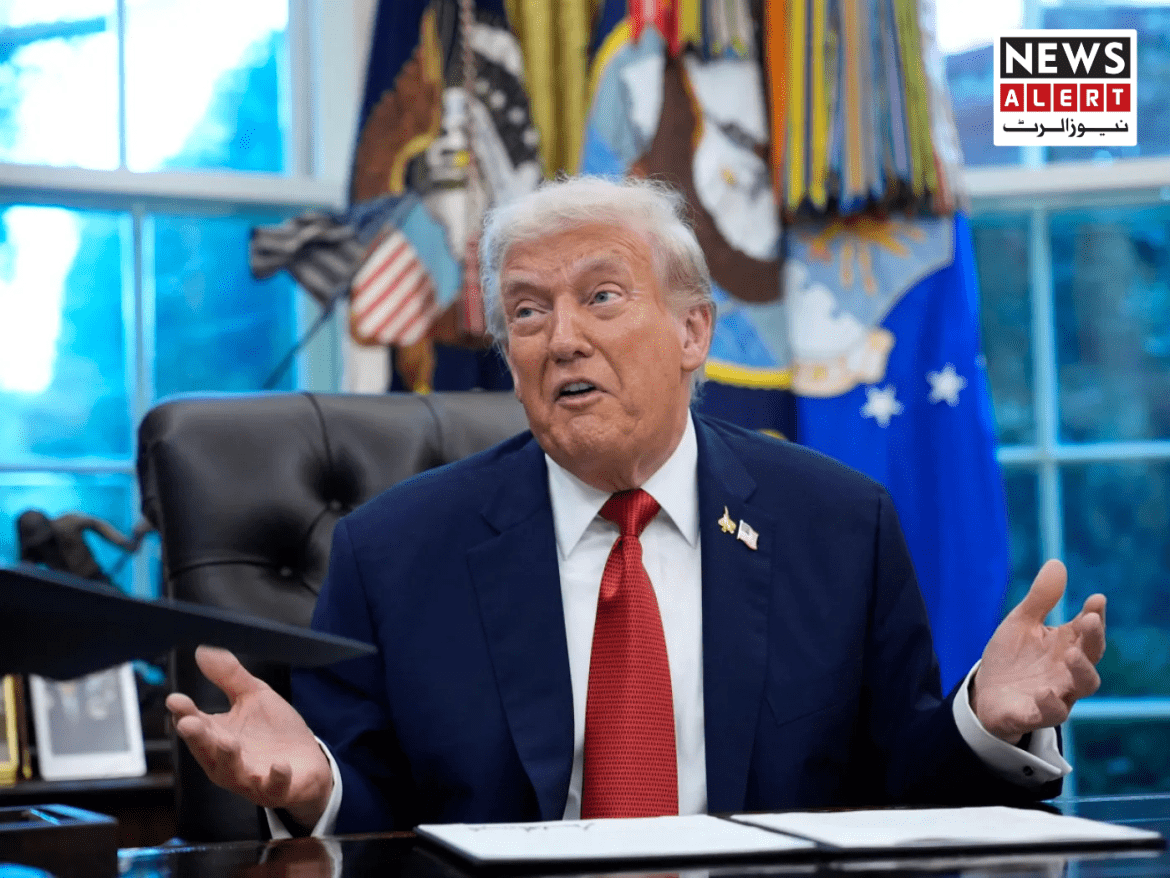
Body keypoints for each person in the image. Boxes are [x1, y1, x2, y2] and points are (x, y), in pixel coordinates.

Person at [166, 176, 1106, 837]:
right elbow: (376, 821)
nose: (561, 339)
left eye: (601, 297)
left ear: (693, 330)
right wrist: (313, 784)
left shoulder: (839, 524)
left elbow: (899, 794)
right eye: (527, 313)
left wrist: (987, 716)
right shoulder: (393, 552)